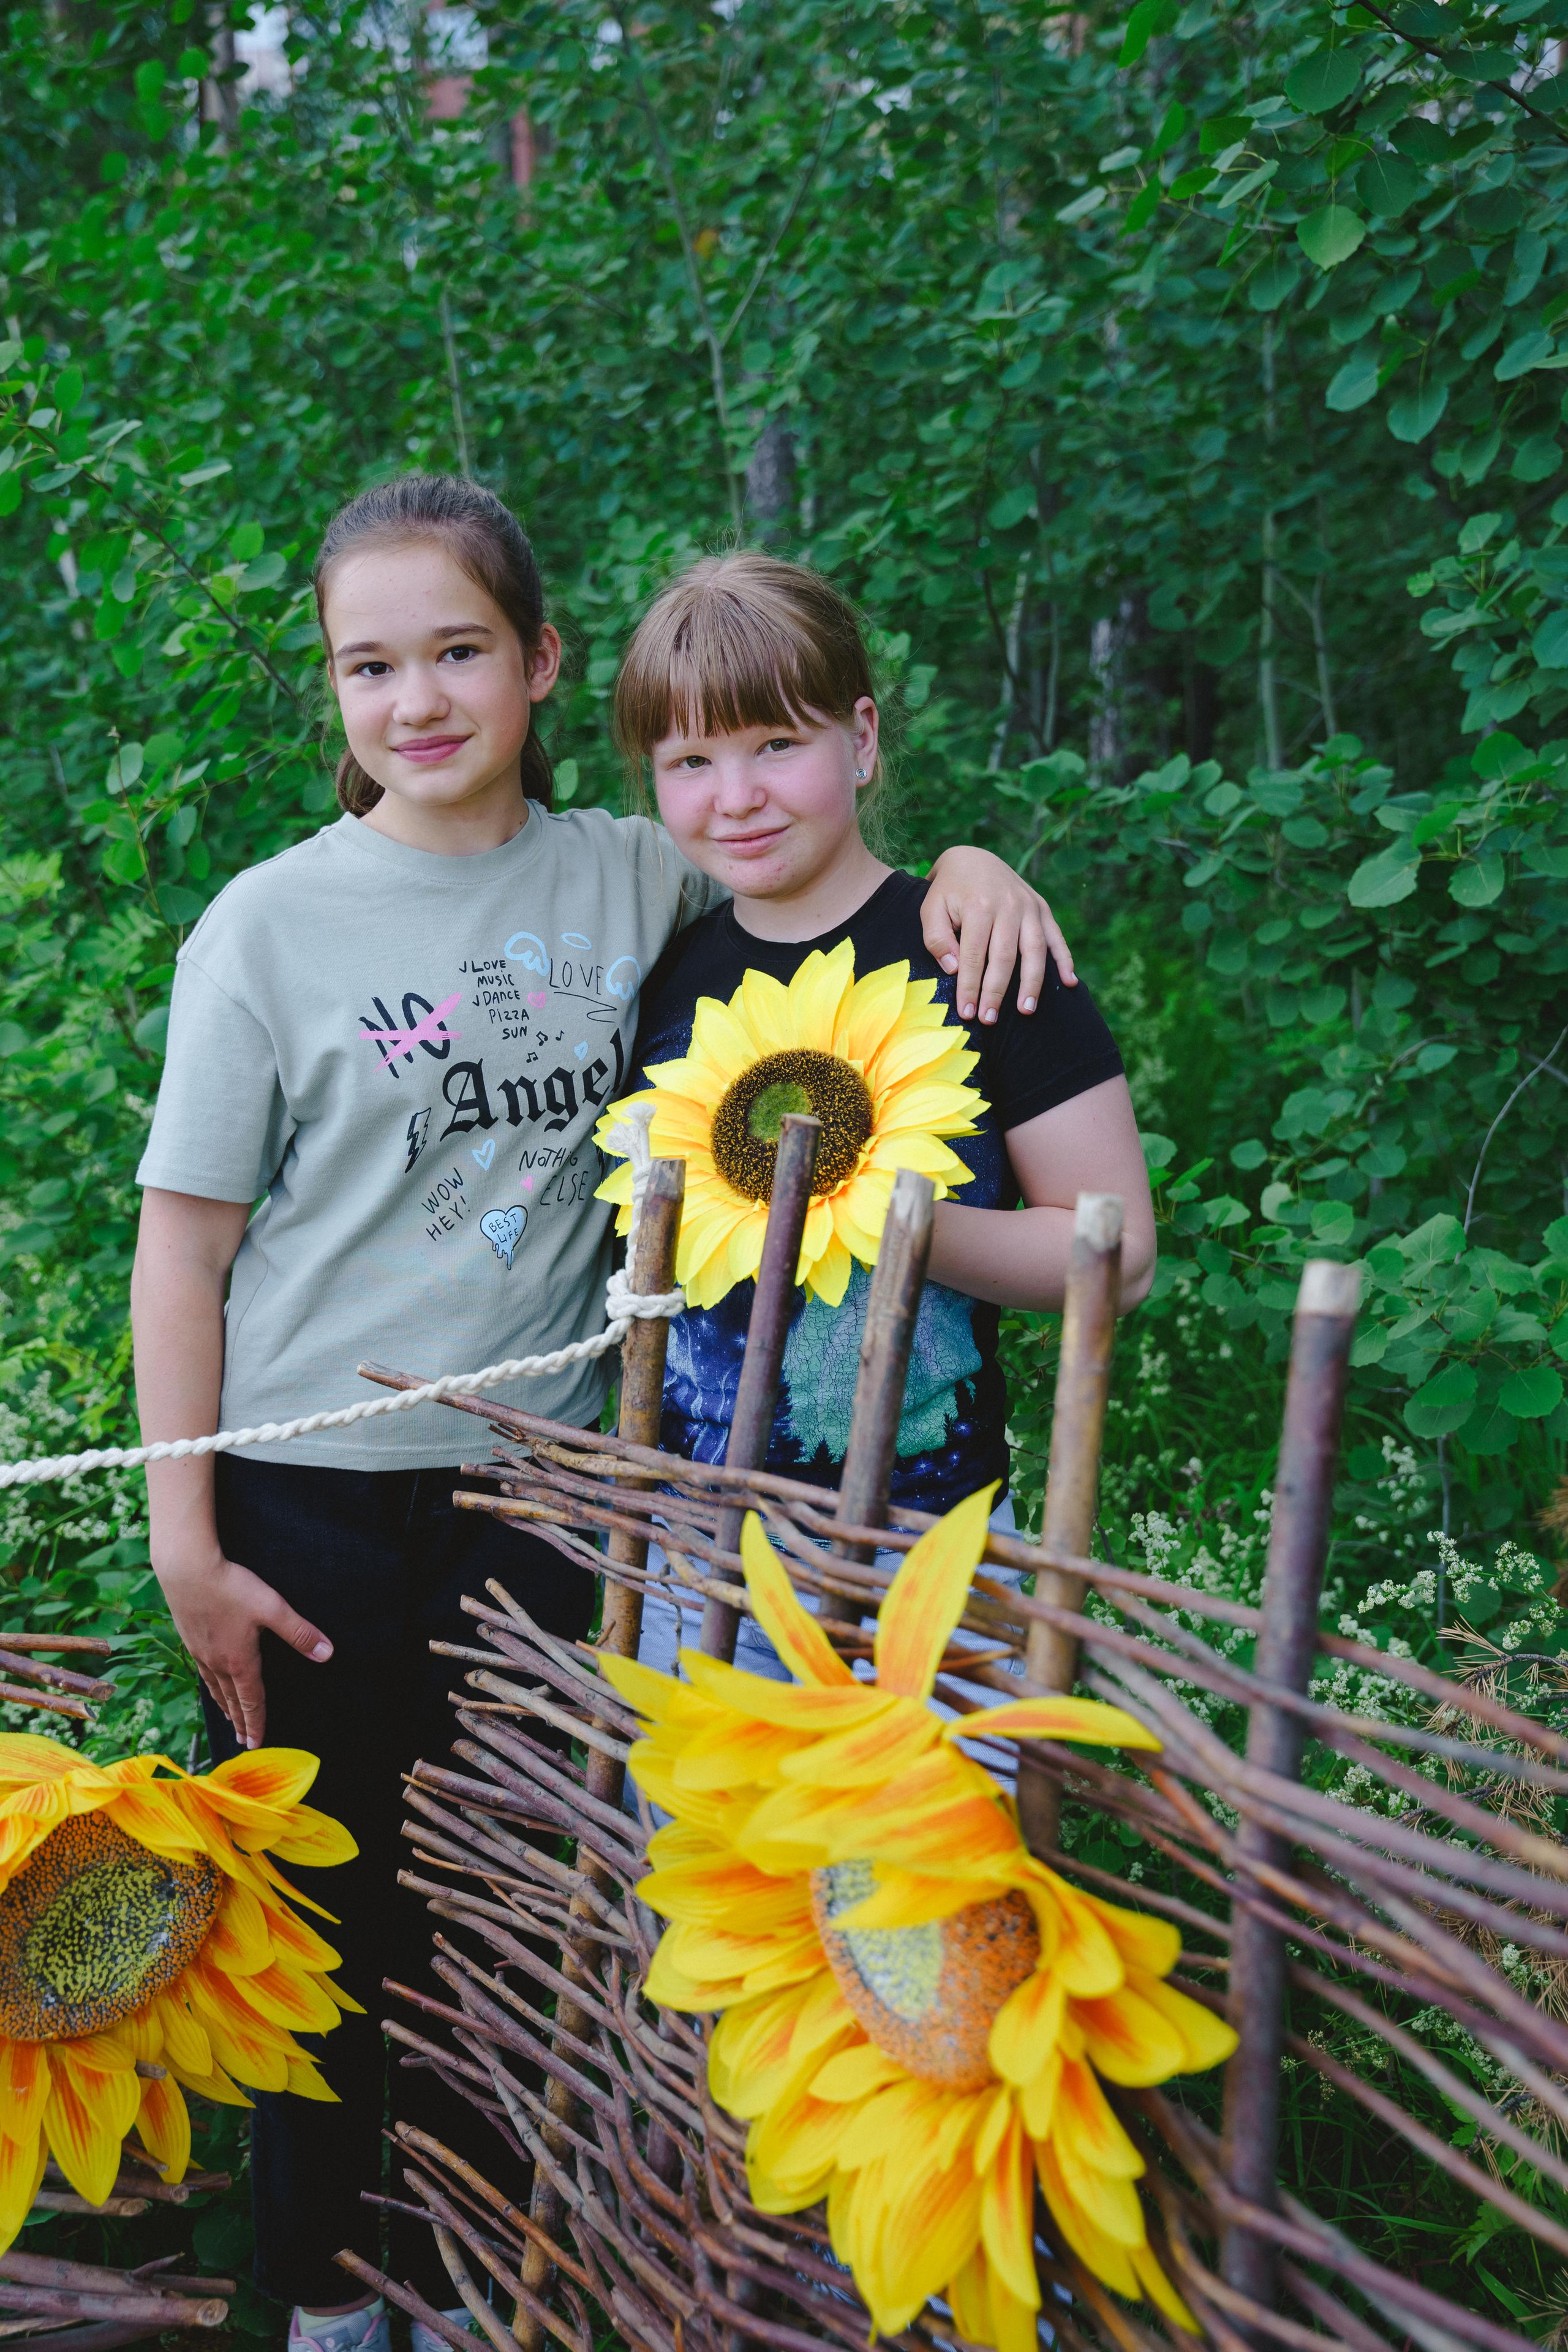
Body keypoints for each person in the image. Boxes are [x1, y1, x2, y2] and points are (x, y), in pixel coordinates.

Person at [129, 476, 1077, 2352]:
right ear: (332, 691)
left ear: (543, 664)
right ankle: (326, 2301)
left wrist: (974, 867)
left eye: (459, 652)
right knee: (324, 1928)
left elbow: (806, 862)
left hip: (557, 1500)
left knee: (515, 1915)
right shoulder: (269, 928)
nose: (417, 700)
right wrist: (191, 1543)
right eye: (368, 665)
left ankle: (478, 2285)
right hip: (315, 1500)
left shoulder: (629, 873)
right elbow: (182, 1253)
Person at [596, 551, 1156, 1690]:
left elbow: (1117, 1252)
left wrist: (868, 1215)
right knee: (712, 1865)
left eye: (777, 746)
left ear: (861, 738)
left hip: (932, 1564)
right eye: (691, 760)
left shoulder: (980, 955)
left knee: (921, 1868)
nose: (737, 795)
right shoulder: (659, 984)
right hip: (697, 1570)